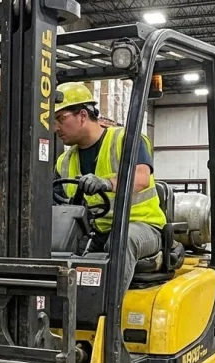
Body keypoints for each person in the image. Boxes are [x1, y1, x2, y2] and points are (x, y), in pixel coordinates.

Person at [54, 82, 166, 295]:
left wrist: (106, 183)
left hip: (142, 226)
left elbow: (141, 178)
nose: (56, 128)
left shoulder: (125, 139)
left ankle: (108, 317)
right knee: (56, 246)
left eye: (60, 119)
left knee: (122, 240)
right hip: (97, 230)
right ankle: (59, 315)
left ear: (83, 115)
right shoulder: (64, 161)